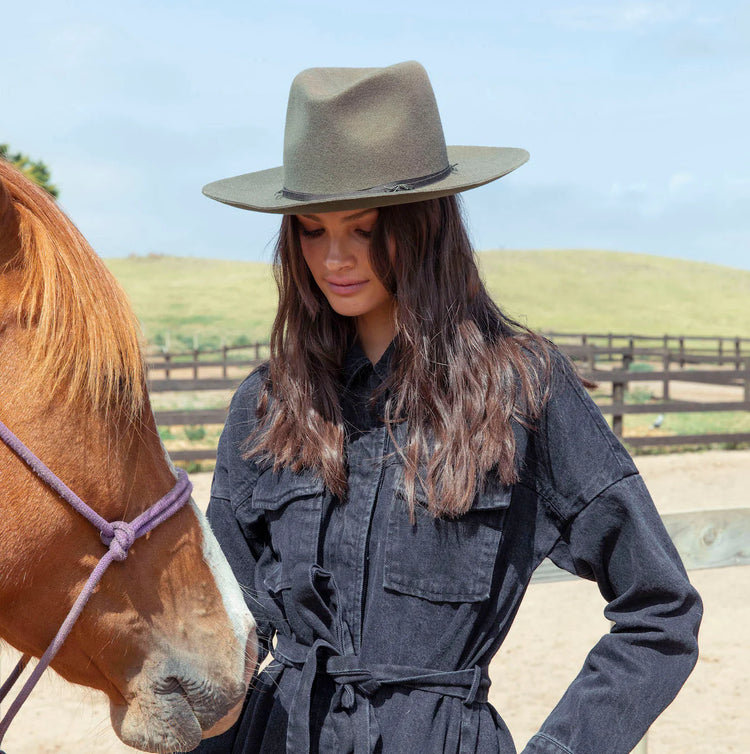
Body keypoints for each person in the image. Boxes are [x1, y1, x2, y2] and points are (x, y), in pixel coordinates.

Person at [194, 61, 702, 754]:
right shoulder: (268, 405)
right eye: (311, 229)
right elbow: (223, 645)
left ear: (424, 225)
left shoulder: (523, 391)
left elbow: (661, 610)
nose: (333, 257)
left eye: (364, 227)